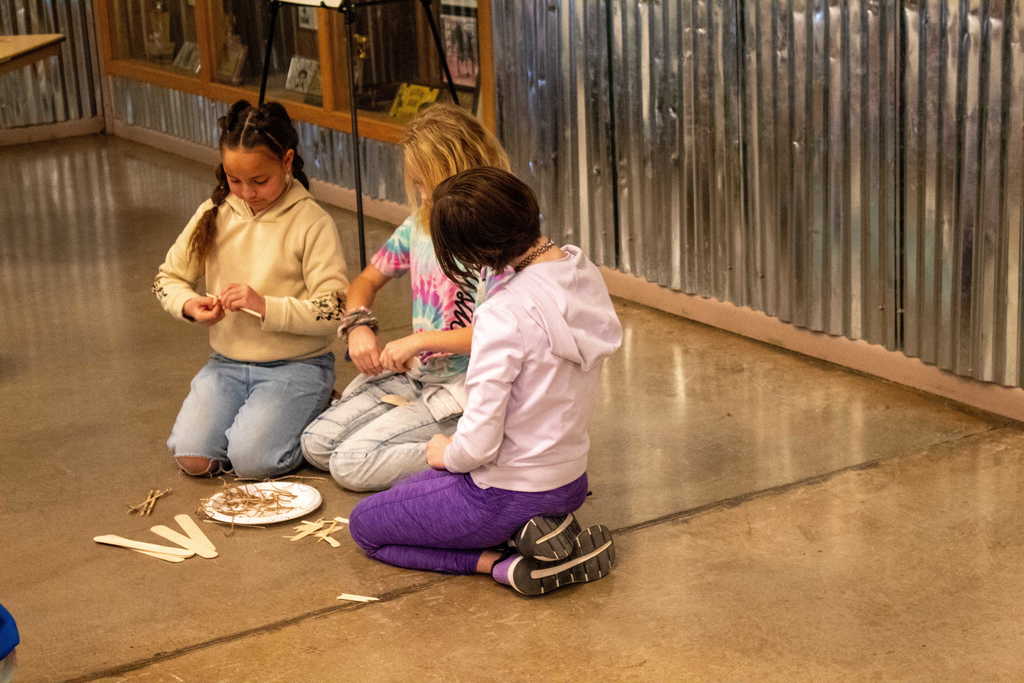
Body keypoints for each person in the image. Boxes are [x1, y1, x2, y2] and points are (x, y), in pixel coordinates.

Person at [348, 167, 622, 596]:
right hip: (568, 481)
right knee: (409, 492)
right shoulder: (580, 269)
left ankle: (506, 564)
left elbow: (478, 445)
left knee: (366, 526)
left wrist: (448, 453)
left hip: (506, 491)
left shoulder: (503, 312)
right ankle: (537, 532)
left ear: (473, 252)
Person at [300, 103, 511, 492]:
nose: (423, 194)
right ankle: (427, 435)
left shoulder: (495, 240)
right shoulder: (421, 224)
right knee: (316, 446)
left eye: (428, 182)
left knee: (350, 463)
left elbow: (499, 336)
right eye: (417, 184)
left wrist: (419, 340)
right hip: (415, 377)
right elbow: (365, 281)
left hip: (462, 389)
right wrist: (359, 325)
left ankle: (476, 453)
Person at [153, 99, 348, 479]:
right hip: (226, 364)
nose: (246, 192)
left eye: (260, 181)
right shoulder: (212, 213)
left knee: (253, 463)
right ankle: (266, 419)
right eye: (234, 179)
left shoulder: (312, 222)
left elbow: (334, 310)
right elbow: (166, 279)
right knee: (194, 460)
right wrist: (190, 304)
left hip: (297, 366)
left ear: (287, 161)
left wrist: (266, 306)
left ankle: (321, 404)